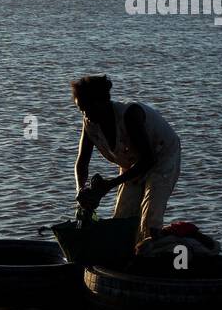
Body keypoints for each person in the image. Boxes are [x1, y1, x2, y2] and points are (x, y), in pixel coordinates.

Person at [71, 74, 182, 247]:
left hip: (161, 157)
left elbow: (148, 160)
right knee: (123, 219)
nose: (86, 114)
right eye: (81, 109)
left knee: (150, 216)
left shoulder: (129, 114)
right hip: (132, 163)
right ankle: (128, 257)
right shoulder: (89, 123)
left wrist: (109, 185)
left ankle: (152, 257)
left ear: (103, 101)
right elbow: (82, 162)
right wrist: (81, 189)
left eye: (89, 108)